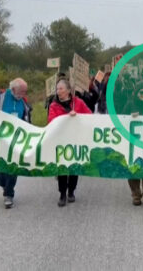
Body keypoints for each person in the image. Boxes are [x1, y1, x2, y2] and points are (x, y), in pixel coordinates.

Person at [0, 78, 31, 209]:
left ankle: (8, 194)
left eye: (25, 92)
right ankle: (3, 183)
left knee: (13, 167)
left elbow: (27, 120)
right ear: (13, 90)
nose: (24, 94)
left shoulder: (24, 102)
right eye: (22, 91)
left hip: (15, 142)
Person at [48, 78, 92, 207]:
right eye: (57, 89)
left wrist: (77, 116)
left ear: (68, 90)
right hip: (61, 141)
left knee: (74, 166)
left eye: (61, 88)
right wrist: (67, 118)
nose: (58, 91)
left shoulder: (78, 103)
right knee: (62, 168)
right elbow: (51, 121)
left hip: (76, 140)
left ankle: (71, 191)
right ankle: (62, 194)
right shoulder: (53, 105)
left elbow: (89, 115)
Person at [123, 81, 143, 207]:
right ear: (136, 93)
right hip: (132, 143)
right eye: (141, 92)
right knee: (133, 170)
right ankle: (136, 195)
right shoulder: (130, 104)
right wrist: (130, 117)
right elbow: (121, 119)